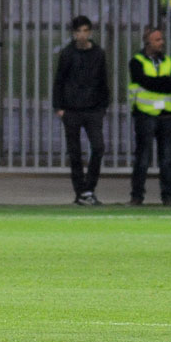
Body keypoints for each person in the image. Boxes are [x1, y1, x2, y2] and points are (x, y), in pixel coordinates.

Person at [52, 15, 110, 205]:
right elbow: (59, 80)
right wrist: (59, 107)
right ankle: (81, 193)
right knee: (75, 153)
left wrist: (103, 105)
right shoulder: (68, 54)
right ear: (74, 34)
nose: (82, 35)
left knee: (98, 147)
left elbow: (103, 80)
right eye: (78, 32)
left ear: (90, 32)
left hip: (93, 109)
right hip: (72, 110)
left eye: (85, 31)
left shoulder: (98, 53)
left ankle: (88, 189)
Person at [128, 26, 171, 206]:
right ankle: (137, 196)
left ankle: (168, 197)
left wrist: (157, 83)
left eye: (162, 39)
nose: (162, 43)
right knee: (142, 159)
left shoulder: (168, 61)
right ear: (148, 42)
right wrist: (163, 82)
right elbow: (143, 81)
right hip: (145, 115)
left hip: (166, 115)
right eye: (157, 40)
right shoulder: (136, 61)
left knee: (167, 159)